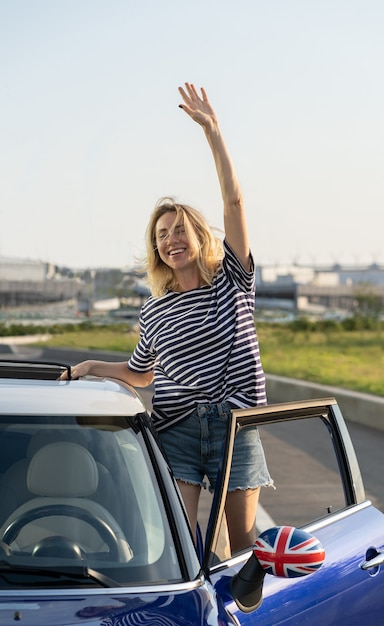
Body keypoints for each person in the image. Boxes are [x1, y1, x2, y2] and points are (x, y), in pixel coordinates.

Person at [60, 83, 272, 552]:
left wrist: (213, 133)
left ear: (197, 235)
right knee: (178, 541)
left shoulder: (232, 278)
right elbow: (140, 373)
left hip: (233, 425)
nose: (171, 240)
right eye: (161, 235)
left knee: (242, 543)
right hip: (174, 429)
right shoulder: (154, 308)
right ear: (155, 247)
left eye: (179, 230)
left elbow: (235, 204)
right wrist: (95, 367)